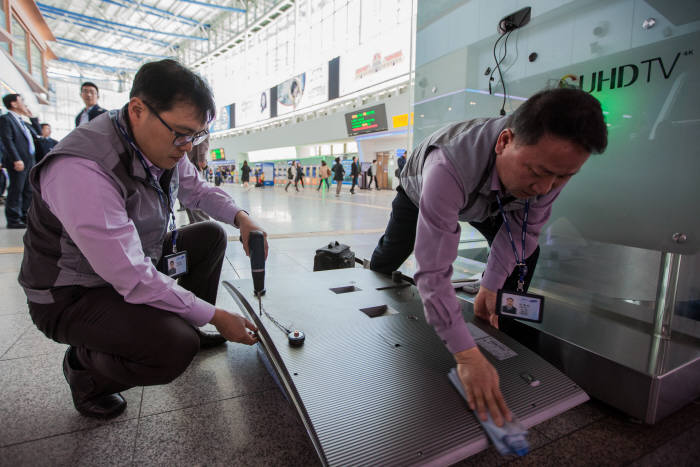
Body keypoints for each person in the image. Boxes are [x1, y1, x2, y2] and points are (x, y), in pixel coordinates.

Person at [19, 59, 268, 420]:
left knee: (210, 235)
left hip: (130, 260)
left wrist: (241, 218)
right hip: (71, 292)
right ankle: (85, 370)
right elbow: (131, 275)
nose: (187, 146)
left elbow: (196, 190)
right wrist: (216, 316)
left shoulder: (161, 144)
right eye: (182, 134)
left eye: (195, 136)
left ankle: (188, 323)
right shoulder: (83, 169)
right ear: (137, 110)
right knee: (172, 348)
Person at [369, 88, 607, 427]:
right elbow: (434, 270)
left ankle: (504, 329)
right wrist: (466, 357)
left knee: (526, 255)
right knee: (393, 250)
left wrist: (491, 287)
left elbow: (523, 234)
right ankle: (366, 280)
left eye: (564, 177)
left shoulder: (545, 172)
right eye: (538, 172)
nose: (546, 188)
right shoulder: (448, 165)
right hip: (422, 188)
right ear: (504, 141)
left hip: (497, 195)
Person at [0, 94, 41, 229]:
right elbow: (7, 140)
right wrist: (16, 158)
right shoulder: (6, 119)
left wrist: (32, 117)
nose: (24, 103)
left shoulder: (22, 121)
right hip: (18, 160)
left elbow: (38, 134)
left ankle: (24, 215)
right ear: (14, 104)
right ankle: (13, 218)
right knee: (16, 188)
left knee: (27, 189)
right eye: (22, 101)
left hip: (29, 160)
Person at [185, 134, 210, 224]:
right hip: (191, 162)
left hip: (189, 161)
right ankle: (198, 225)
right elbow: (203, 134)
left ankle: (202, 226)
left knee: (192, 197)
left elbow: (203, 134)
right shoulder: (200, 121)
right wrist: (202, 159)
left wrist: (201, 159)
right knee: (192, 198)